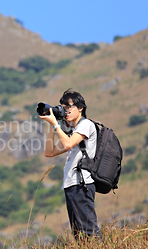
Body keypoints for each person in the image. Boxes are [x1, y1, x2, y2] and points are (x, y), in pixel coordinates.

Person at [39, 89, 102, 241]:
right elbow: (49, 152)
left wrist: (56, 125)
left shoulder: (86, 125)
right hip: (71, 186)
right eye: (63, 108)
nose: (65, 111)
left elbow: (67, 144)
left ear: (80, 108)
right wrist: (51, 126)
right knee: (78, 233)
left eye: (68, 107)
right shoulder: (73, 131)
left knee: (88, 230)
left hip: (82, 184)